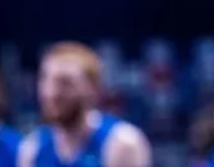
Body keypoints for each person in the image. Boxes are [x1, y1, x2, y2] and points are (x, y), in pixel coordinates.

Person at [17, 42, 151, 167]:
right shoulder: (33, 149)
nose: (52, 93)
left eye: (65, 83)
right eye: (46, 80)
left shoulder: (121, 144)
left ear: (93, 88)